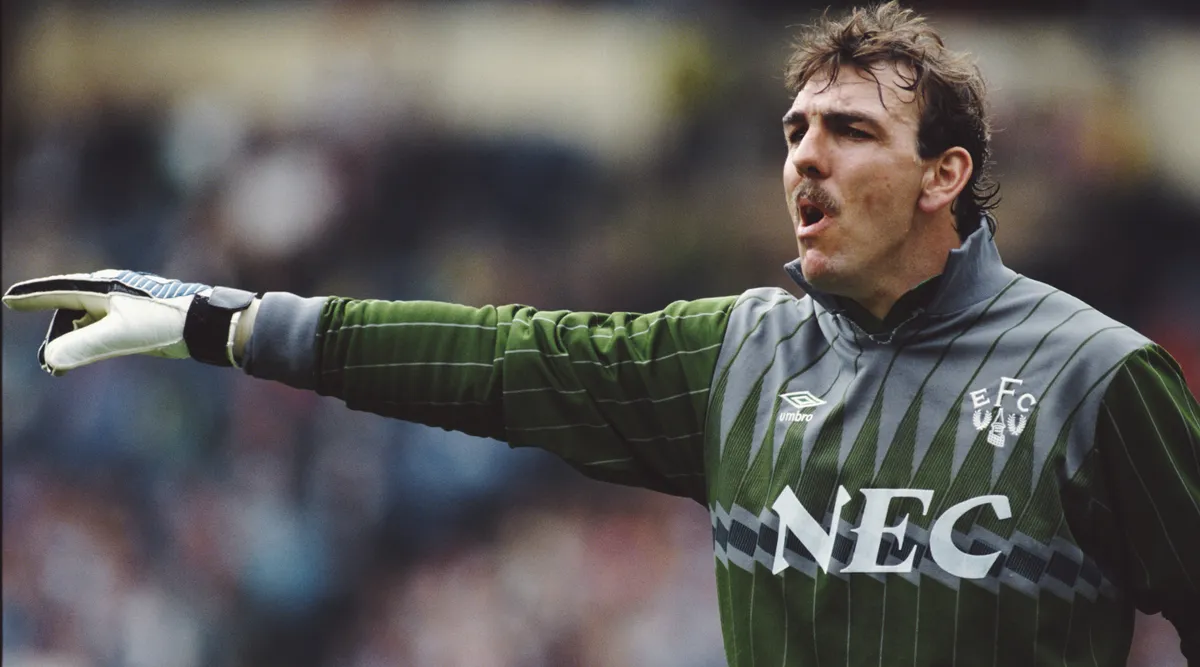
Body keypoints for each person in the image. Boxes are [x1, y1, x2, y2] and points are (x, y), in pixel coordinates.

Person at [5, 3, 1197, 665]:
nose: (803, 157)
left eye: (847, 130)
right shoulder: (738, 355)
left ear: (947, 173)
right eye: (794, 130)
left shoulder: (1096, 379)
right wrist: (231, 323)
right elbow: (502, 360)